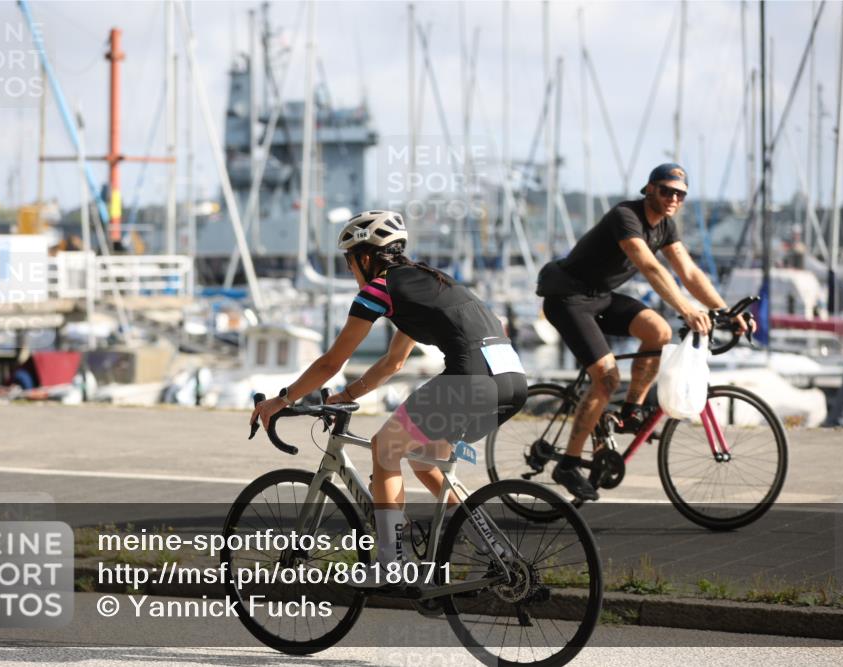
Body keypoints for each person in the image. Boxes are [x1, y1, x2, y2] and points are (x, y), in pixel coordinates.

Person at [252, 210, 528, 584]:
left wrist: (280, 400)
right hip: (512, 381)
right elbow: (393, 362)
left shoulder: (378, 290)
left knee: (385, 449)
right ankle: (500, 557)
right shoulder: (431, 282)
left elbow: (332, 360)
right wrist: (348, 395)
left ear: (365, 257)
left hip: (471, 379)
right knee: (427, 463)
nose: (351, 272)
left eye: (349, 263)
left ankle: (389, 565)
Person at [536, 163, 754, 502]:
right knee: (606, 379)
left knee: (659, 331)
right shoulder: (626, 216)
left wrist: (724, 310)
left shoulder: (665, 226)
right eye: (666, 190)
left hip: (601, 298)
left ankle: (630, 412)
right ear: (649, 189)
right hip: (568, 299)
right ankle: (568, 463)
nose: (672, 198)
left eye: (679, 194)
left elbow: (690, 273)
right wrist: (687, 309)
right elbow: (650, 267)